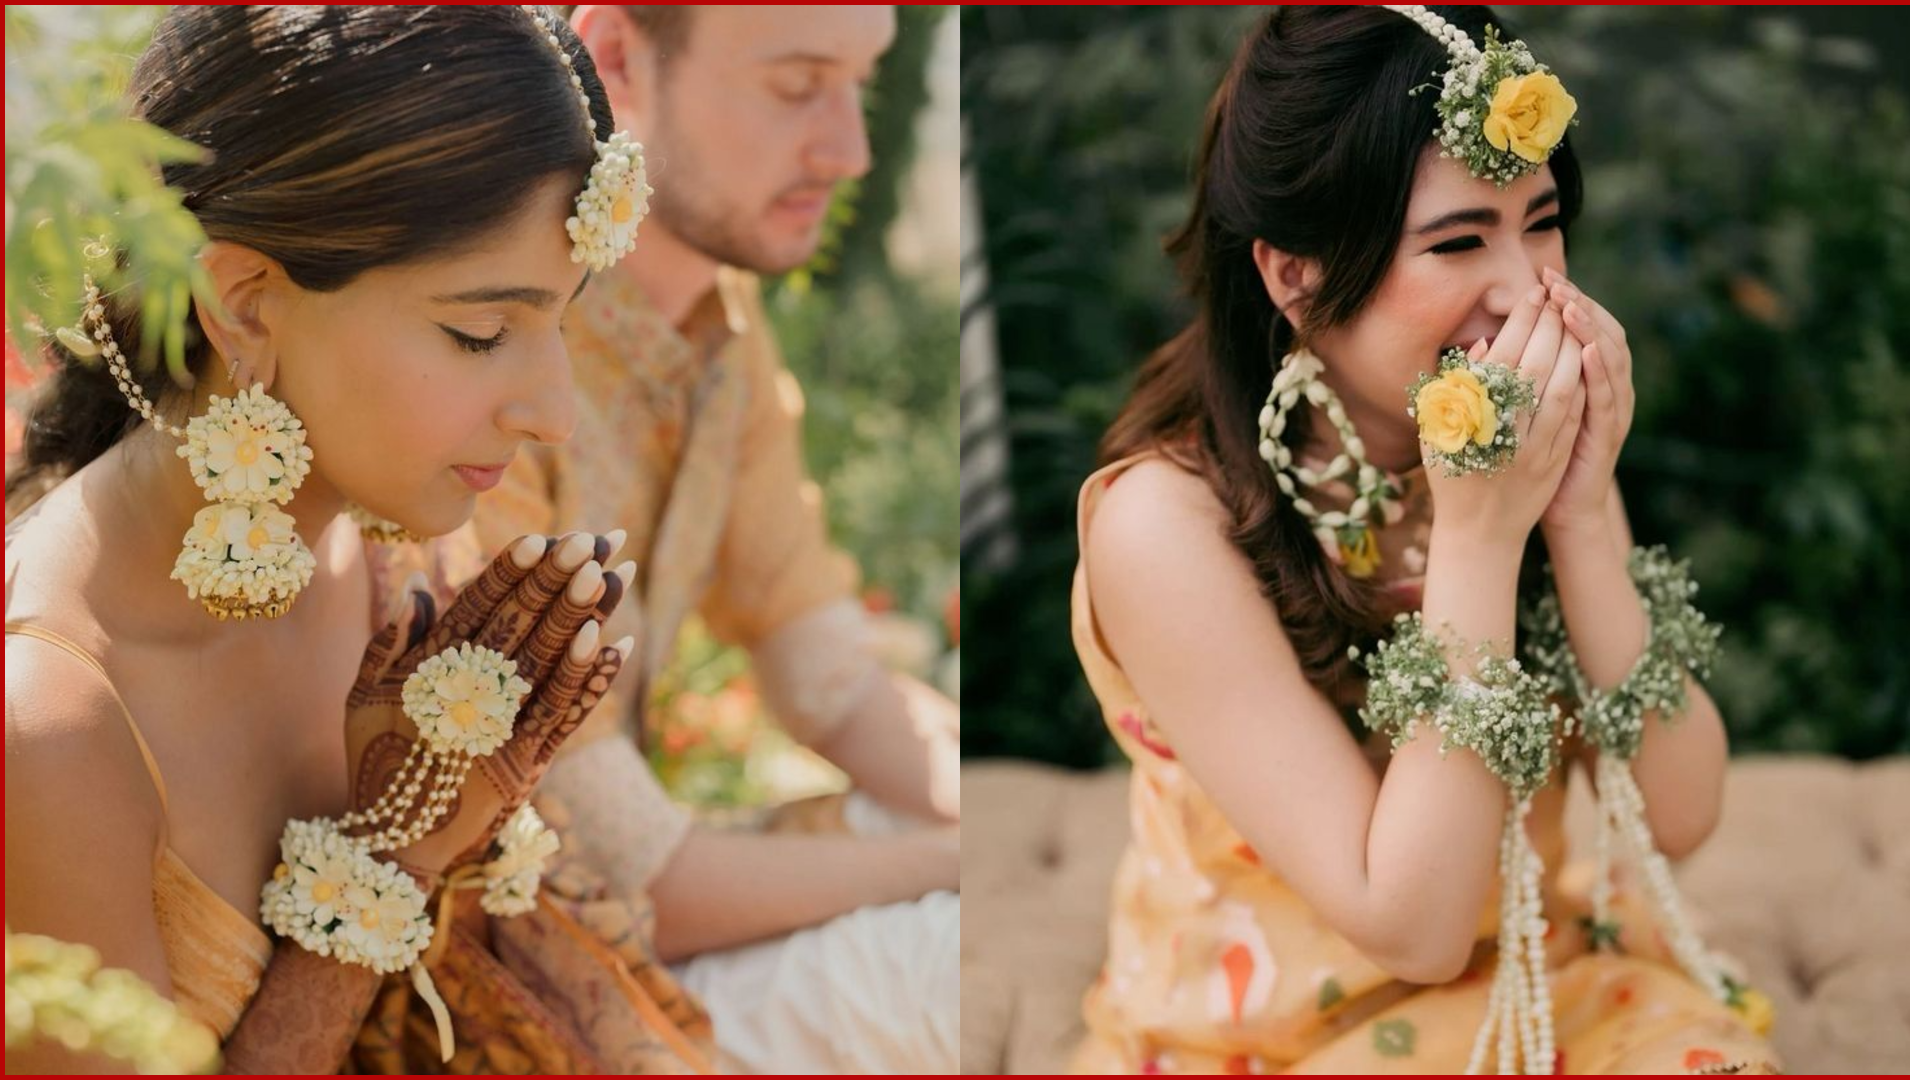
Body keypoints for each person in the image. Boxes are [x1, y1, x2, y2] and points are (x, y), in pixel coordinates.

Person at [1066, 6, 1782, 1074]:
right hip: (1278, 1038)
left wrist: (1581, 517)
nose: (1525, 287)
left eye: (1541, 221)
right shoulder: (1164, 525)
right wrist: (1480, 545)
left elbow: (1680, 815)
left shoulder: (1528, 446)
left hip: (1536, 976)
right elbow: (1413, 927)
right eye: (1457, 241)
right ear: (1294, 275)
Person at [5, 6, 713, 1072]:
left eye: (559, 322)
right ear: (242, 307)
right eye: (481, 332)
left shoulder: (390, 560)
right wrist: (393, 861)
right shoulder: (52, 728)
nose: (554, 412)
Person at [464, 5, 960, 1072]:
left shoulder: (720, 326)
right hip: (514, 994)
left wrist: (971, 820)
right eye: (797, 85)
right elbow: (631, 872)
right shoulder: (487, 357)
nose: (851, 148)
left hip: (636, 926)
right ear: (617, 61)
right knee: (948, 959)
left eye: (863, 85)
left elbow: (826, 673)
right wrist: (948, 859)